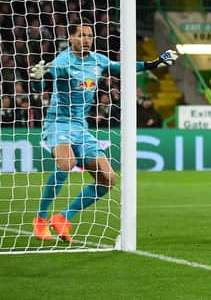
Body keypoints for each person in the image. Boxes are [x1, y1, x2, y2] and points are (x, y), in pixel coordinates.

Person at [31, 19, 178, 242]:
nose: (87, 40)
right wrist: (38, 78)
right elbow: (46, 76)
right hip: (58, 124)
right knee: (66, 163)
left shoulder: (98, 61)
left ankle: (63, 218)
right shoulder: (63, 62)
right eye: (81, 35)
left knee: (108, 179)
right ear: (70, 39)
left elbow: (125, 69)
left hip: (81, 128)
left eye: (89, 35)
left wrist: (154, 63)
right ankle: (40, 220)